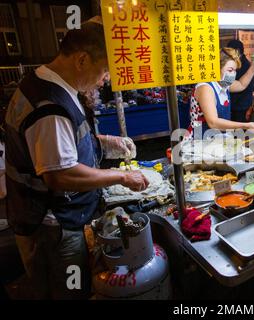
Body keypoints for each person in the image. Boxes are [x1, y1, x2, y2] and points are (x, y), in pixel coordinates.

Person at [4, 18, 149, 299]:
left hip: (52, 218)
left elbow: (62, 145)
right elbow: (60, 174)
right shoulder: (50, 106)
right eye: (105, 69)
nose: (105, 79)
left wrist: (106, 143)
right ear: (82, 60)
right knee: (69, 292)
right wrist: (123, 176)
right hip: (52, 225)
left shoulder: (48, 82)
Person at [186, 47, 254, 139]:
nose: (233, 74)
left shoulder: (223, 84)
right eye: (230, 70)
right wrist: (246, 125)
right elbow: (213, 122)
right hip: (200, 142)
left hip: (217, 140)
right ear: (217, 69)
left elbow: (241, 84)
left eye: (234, 71)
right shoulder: (205, 88)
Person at [227, 40, 254, 123]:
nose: (232, 72)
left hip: (239, 106)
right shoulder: (216, 83)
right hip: (240, 105)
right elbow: (239, 85)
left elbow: (240, 85)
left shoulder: (243, 64)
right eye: (230, 70)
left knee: (238, 132)